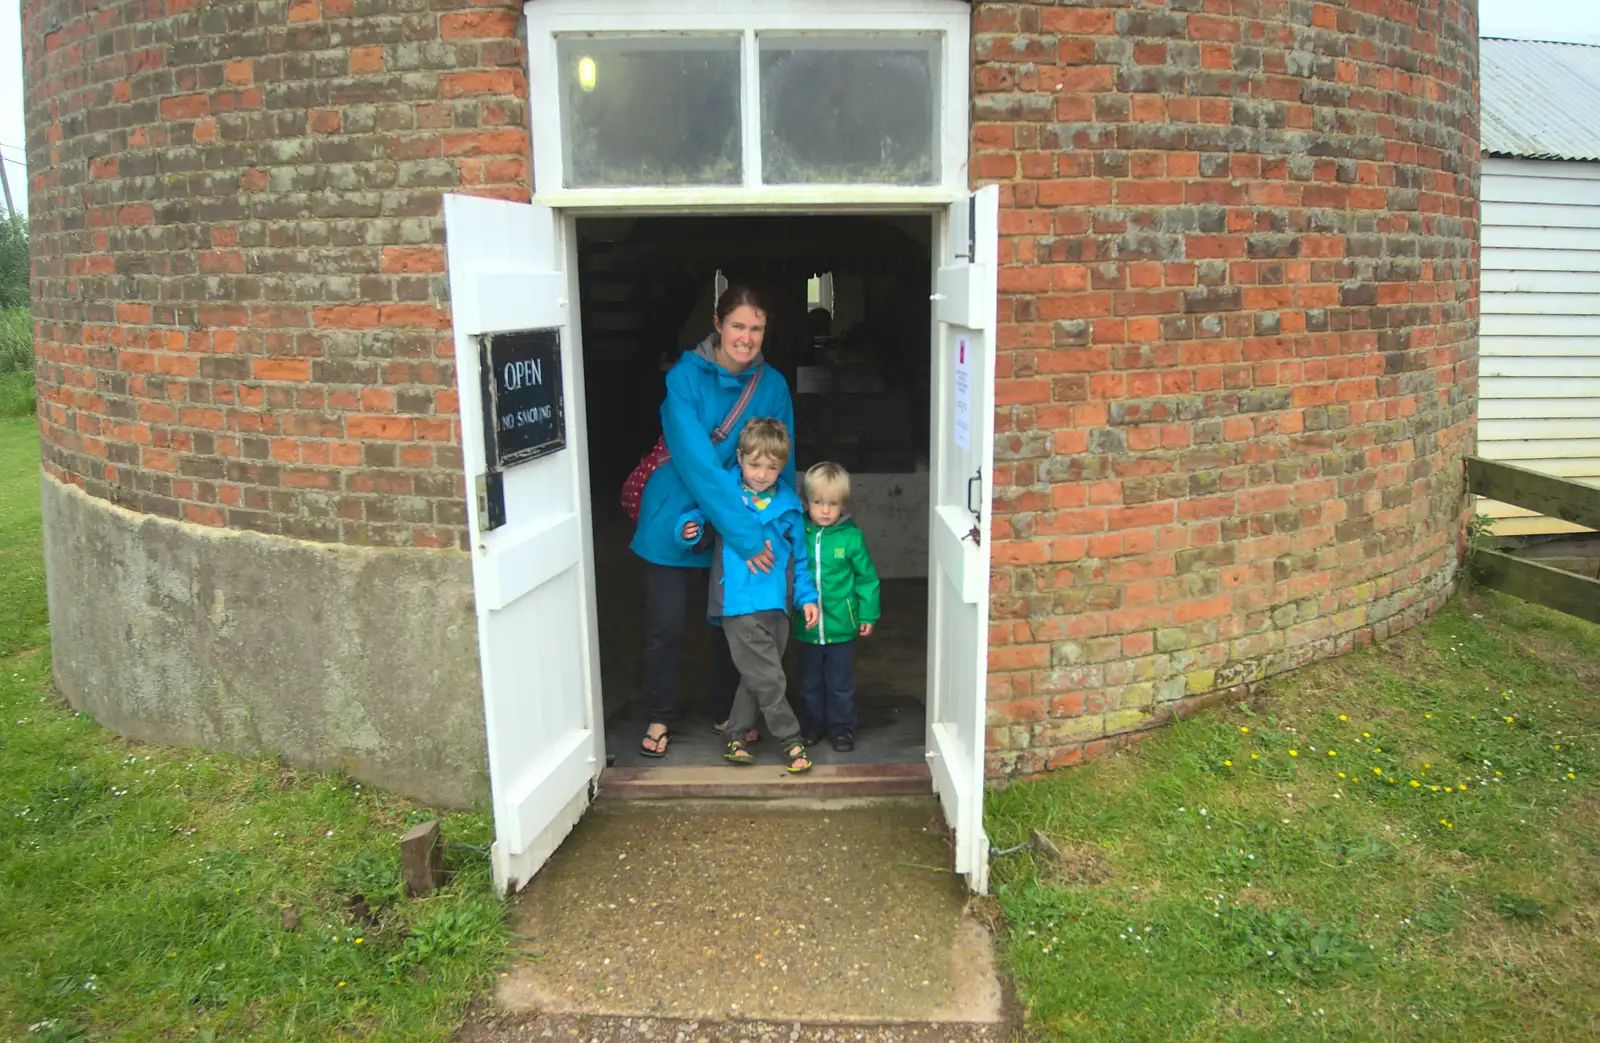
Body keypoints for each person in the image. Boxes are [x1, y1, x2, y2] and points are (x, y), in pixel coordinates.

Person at [628, 285, 796, 758]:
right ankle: (660, 713)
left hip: (745, 521)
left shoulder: (773, 386)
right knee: (666, 624)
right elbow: (697, 463)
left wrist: (784, 531)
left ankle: (728, 711)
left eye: (756, 328)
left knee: (736, 619)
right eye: (738, 325)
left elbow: (784, 461)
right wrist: (745, 534)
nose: (747, 337)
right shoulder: (683, 378)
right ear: (719, 325)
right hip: (676, 517)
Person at [677, 419, 820, 773]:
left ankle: (735, 733)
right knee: (771, 678)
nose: (761, 474)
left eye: (771, 467)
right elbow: (698, 514)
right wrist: (688, 529)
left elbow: (800, 561)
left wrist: (807, 598)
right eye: (754, 464)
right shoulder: (724, 493)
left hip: (778, 604)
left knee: (756, 676)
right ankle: (791, 740)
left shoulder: (789, 506)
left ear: (782, 467)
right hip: (737, 602)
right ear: (740, 458)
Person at [792, 462, 881, 752]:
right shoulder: (799, 534)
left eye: (833, 503)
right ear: (806, 502)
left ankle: (841, 730)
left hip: (841, 625)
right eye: (818, 503)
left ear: (843, 504)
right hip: (806, 627)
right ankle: (811, 728)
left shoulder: (851, 538)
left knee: (840, 684)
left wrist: (868, 613)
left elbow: (866, 579)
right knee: (809, 683)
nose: (826, 510)